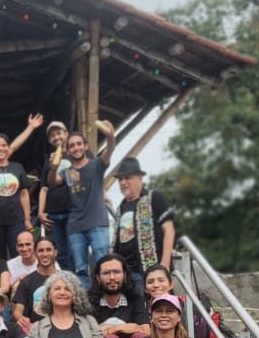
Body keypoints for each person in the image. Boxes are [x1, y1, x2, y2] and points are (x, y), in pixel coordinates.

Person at [51, 123, 116, 288]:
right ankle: (86, 304)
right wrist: (53, 168)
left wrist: (110, 136)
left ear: (86, 146)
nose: (76, 148)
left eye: (79, 144)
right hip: (75, 226)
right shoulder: (67, 172)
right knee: (80, 269)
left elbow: (109, 150)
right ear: (67, 150)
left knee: (103, 264)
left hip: (97, 223)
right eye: (71, 145)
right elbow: (53, 181)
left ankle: (104, 299)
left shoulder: (96, 165)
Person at [28, 270, 109, 338]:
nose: (62, 292)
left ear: (75, 295)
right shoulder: (36, 328)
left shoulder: (89, 322)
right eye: (57, 288)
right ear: (48, 295)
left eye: (68, 289)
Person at [113, 157, 175, 293]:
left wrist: (164, 265)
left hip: (151, 272)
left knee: (155, 309)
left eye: (127, 178)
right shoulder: (121, 207)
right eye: (120, 179)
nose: (123, 182)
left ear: (140, 178)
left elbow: (169, 231)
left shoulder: (154, 197)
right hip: (127, 274)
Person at [37, 120, 75, 272]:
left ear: (66, 134)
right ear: (49, 140)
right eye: (52, 135)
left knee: (75, 250)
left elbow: (91, 177)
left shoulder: (77, 154)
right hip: (53, 213)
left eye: (59, 133)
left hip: (73, 211)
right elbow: (44, 188)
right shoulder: (49, 160)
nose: (56, 137)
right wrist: (40, 212)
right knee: (60, 253)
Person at [90, 253, 149, 338]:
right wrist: (118, 328)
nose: (112, 277)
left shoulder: (135, 297)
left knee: (140, 337)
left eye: (116, 272)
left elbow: (147, 330)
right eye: (106, 273)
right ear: (98, 277)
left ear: (125, 275)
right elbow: (89, 334)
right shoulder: (90, 301)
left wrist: (106, 329)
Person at [9, 236, 59, 334]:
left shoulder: (65, 280)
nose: (45, 254)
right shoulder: (26, 281)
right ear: (35, 254)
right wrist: (20, 318)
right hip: (37, 331)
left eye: (48, 250)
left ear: (55, 252)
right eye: (40, 251)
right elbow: (17, 310)